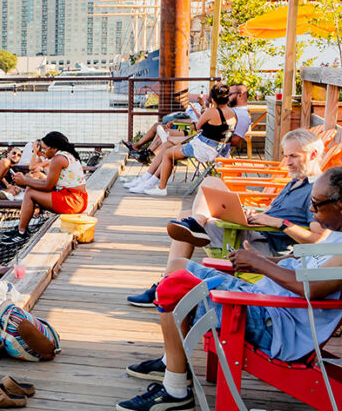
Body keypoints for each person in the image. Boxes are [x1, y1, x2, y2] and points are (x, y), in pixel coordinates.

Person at [116, 166, 342, 411]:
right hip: (265, 301)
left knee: (174, 287)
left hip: (275, 323)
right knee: (178, 266)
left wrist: (260, 264)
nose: (312, 210)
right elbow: (304, 268)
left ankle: (175, 393)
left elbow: (310, 287)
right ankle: (172, 362)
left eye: (317, 204)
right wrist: (261, 260)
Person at [126, 127, 326, 307]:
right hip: (254, 229)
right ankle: (191, 233)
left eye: (294, 156)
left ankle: (166, 283)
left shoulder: (318, 190)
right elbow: (273, 213)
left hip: (264, 244)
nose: (288, 162)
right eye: (286, 156)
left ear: (314, 154)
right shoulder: (296, 181)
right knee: (194, 205)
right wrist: (256, 214)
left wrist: (279, 223)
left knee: (190, 213)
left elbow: (318, 240)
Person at [126, 84, 237, 197]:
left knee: (168, 153)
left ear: (213, 99)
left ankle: (160, 187)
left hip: (205, 149)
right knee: (167, 146)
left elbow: (197, 126)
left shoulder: (212, 112)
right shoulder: (232, 113)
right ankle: (147, 181)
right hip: (220, 150)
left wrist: (203, 112)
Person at [5, 130, 87, 242]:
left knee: (29, 193)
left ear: (53, 148)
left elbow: (48, 186)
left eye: (44, 149)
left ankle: (21, 232)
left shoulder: (57, 159)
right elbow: (48, 183)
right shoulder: (66, 155)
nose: (42, 152)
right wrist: (26, 181)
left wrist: (25, 181)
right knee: (30, 189)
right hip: (76, 198)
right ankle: (22, 228)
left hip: (73, 201)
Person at [122, 91, 206, 161]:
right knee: (159, 127)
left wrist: (196, 109)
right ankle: (144, 151)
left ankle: (148, 154)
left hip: (190, 132)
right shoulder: (206, 110)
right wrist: (175, 120)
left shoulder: (208, 113)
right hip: (188, 129)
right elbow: (194, 121)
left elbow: (196, 124)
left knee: (164, 130)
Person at [227, 83, 251, 152]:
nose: (226, 97)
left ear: (240, 95)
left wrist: (212, 133)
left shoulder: (242, 116)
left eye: (229, 94)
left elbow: (235, 141)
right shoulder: (233, 110)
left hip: (213, 149)